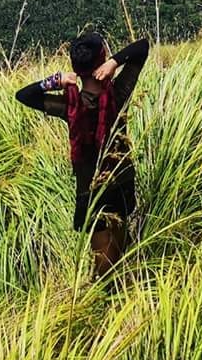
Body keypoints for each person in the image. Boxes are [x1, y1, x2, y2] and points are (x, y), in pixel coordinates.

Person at [15, 32, 149, 277]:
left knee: (102, 266)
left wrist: (55, 81)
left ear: (75, 66)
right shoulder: (118, 94)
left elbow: (23, 96)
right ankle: (125, 296)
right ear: (103, 58)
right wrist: (115, 62)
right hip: (121, 181)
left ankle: (102, 302)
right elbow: (142, 48)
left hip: (89, 190)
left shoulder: (71, 106)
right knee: (121, 250)